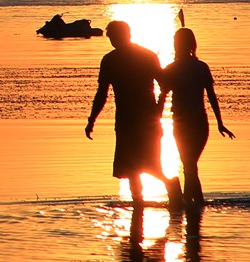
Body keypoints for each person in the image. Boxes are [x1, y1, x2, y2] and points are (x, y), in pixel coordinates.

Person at [85, 19, 169, 206]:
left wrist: (158, 109)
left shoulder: (141, 56)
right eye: (110, 38)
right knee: (132, 169)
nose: (112, 41)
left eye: (114, 37)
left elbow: (164, 84)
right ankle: (138, 203)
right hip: (128, 121)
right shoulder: (113, 59)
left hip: (144, 120)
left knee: (151, 166)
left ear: (125, 35)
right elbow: (102, 94)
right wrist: (92, 120)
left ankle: (170, 189)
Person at [159, 26, 233, 208]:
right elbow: (211, 96)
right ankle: (193, 205)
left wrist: (221, 123)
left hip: (186, 124)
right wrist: (219, 123)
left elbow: (162, 95)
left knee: (189, 165)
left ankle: (193, 205)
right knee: (189, 166)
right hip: (198, 123)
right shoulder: (199, 67)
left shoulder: (174, 68)